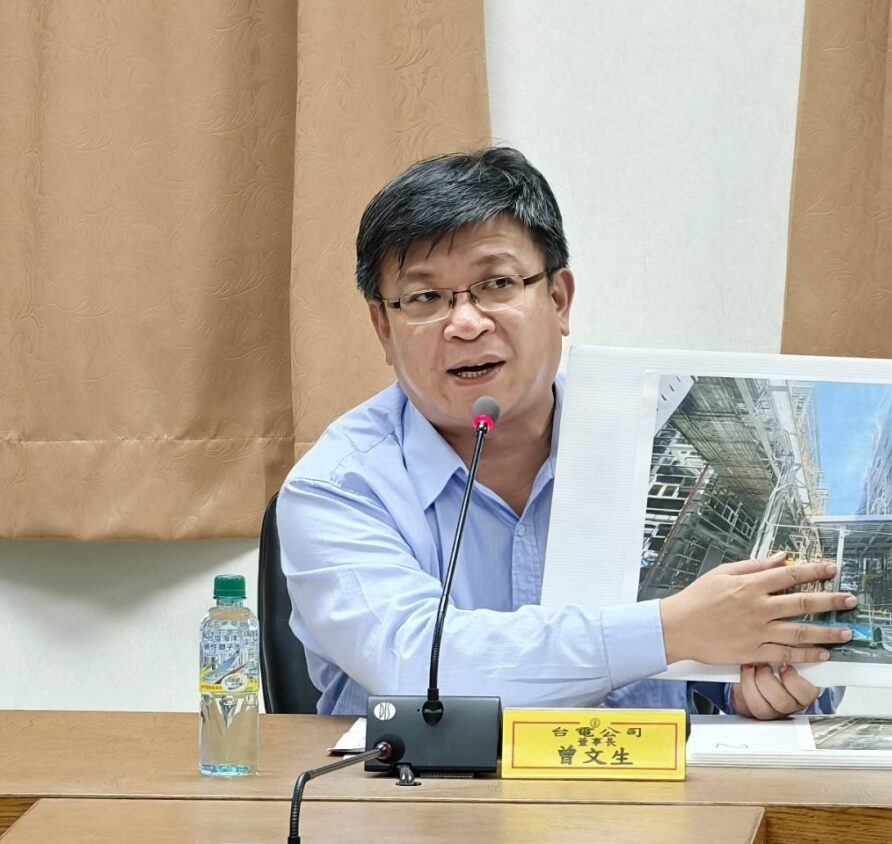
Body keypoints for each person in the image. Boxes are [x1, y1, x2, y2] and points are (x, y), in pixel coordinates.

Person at [277, 147, 852, 718]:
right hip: (417, 780)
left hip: (649, 779)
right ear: (383, 326)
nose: (466, 323)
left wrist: (751, 688)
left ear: (558, 299)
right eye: (425, 297)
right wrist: (671, 630)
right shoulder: (337, 488)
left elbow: (767, 666)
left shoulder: (663, 445)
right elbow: (417, 668)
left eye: (497, 283)